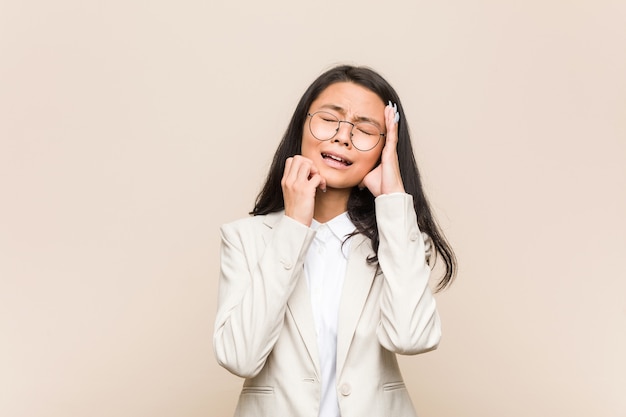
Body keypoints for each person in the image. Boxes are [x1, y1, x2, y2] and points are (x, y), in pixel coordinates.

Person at [213, 64, 457, 417]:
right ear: (301, 128)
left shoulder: (399, 240)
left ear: (384, 150)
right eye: (330, 119)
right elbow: (240, 357)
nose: (343, 136)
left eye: (364, 129)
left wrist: (393, 202)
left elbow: (412, 337)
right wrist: (295, 224)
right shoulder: (245, 238)